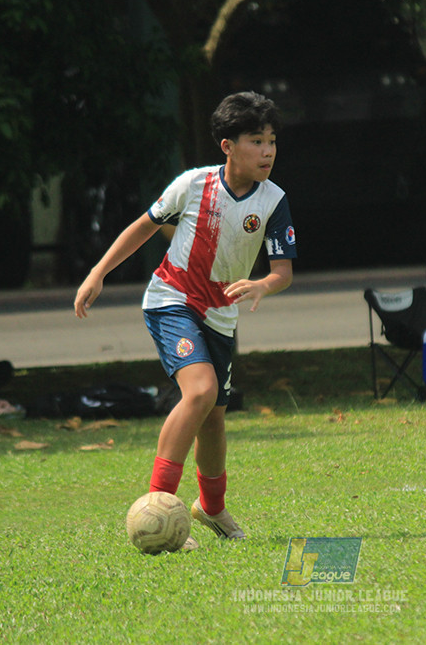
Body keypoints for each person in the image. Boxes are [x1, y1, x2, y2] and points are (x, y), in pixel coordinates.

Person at [74, 92, 296, 548]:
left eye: (272, 140)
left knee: (214, 416)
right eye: (257, 141)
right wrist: (98, 272)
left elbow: (283, 272)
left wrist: (262, 286)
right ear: (228, 146)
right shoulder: (193, 186)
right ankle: (159, 506)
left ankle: (211, 508)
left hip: (220, 316)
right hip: (172, 300)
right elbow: (145, 225)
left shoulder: (273, 200)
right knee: (200, 391)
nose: (268, 150)